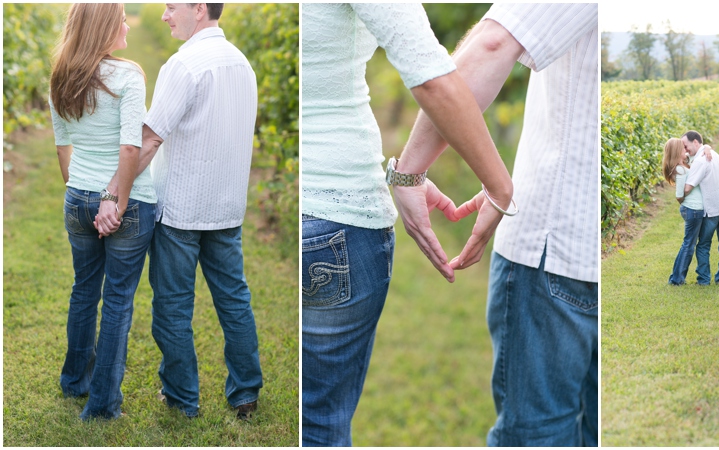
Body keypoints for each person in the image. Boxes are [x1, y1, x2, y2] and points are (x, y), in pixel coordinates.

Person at [301, 3, 514, 446]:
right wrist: (500, 188)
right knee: (320, 420)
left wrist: (408, 173)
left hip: (314, 213)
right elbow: (433, 79)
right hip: (335, 216)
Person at [396, 3, 598, 446]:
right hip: (598, 254)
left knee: (536, 434)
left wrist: (408, 173)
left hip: (553, 250)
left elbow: (491, 43)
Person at [106, 2, 262, 420]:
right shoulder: (242, 64)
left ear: (198, 7)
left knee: (173, 305)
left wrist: (115, 193)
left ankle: (181, 397)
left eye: (171, 6)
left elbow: (151, 137)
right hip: (227, 207)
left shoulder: (185, 63)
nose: (164, 15)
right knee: (234, 300)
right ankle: (245, 392)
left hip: (181, 209)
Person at [49, 3, 156, 420]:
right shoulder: (128, 75)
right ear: (104, 27)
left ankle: (75, 381)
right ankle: (102, 405)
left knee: (83, 290)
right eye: (122, 18)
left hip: (78, 196)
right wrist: (117, 201)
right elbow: (130, 147)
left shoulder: (61, 77)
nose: (127, 24)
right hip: (125, 203)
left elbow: (63, 148)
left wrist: (83, 192)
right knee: (116, 301)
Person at [682, 130, 719, 285]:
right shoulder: (714, 154)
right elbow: (692, 157)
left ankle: (703, 279)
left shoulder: (700, 161)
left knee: (703, 245)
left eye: (686, 146)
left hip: (712, 209)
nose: (685, 150)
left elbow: (687, 188)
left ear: (696, 142)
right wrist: (707, 147)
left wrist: (679, 192)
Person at [663, 138, 705, 285]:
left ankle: (676, 277)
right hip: (693, 210)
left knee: (688, 244)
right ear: (676, 152)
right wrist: (686, 201)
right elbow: (679, 194)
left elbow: (699, 155)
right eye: (683, 149)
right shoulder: (680, 169)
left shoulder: (683, 166)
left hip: (693, 209)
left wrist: (707, 148)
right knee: (688, 245)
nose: (686, 150)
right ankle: (676, 279)